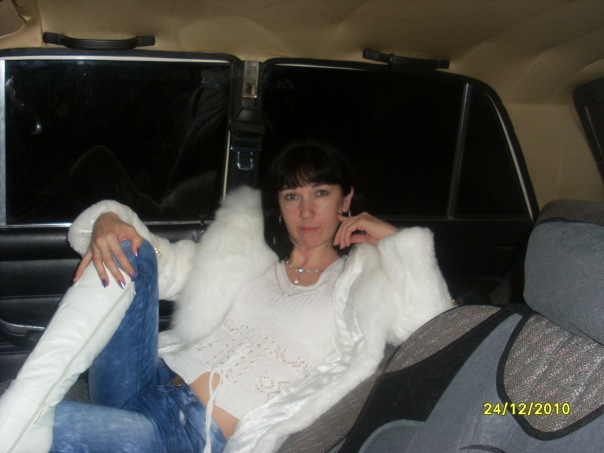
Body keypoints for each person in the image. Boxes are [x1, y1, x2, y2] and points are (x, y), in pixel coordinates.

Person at [0, 141, 452, 453]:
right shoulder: (247, 260)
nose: (307, 211)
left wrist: (394, 239)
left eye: (321, 192)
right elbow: (156, 259)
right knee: (129, 248)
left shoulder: (364, 282)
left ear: (345, 199)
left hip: (186, 433)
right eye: (291, 195)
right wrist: (107, 221)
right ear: (279, 206)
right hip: (145, 377)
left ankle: (24, 402)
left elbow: (438, 332)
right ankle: (28, 398)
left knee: (20, 426)